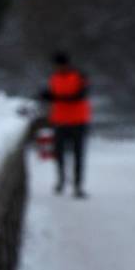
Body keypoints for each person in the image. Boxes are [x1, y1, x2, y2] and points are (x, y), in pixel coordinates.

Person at [40, 51, 91, 197]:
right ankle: (61, 181)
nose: (57, 68)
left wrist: (55, 97)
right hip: (59, 120)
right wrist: (48, 96)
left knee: (78, 154)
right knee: (59, 154)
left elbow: (80, 95)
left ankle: (78, 185)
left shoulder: (80, 76)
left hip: (78, 120)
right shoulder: (54, 78)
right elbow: (53, 94)